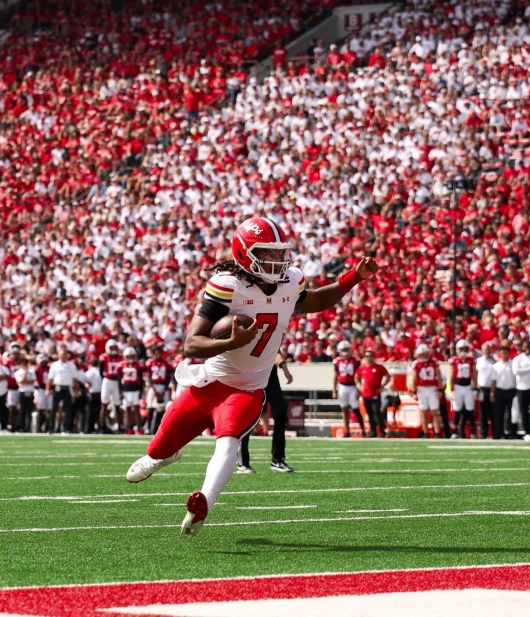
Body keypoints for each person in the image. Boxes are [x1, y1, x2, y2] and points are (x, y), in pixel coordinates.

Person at [126, 216, 378, 537]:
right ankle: (165, 455)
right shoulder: (227, 286)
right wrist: (230, 342)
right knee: (159, 449)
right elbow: (192, 344)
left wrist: (354, 276)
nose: (276, 261)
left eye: (278, 253)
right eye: (267, 254)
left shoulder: (290, 281)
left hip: (247, 387)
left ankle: (204, 500)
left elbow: (313, 301)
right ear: (245, 254)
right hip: (209, 382)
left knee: (229, 439)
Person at [237, 350, 295, 473]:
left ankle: (277, 459)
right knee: (249, 415)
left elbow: (275, 351)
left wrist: (284, 368)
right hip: (252, 374)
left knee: (280, 413)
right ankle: (243, 461)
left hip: (270, 375)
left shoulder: (272, 331)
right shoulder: (250, 331)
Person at [409, 344, 446, 438]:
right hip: (421, 389)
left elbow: (439, 376)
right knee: (423, 412)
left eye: (424, 353)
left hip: (432, 388)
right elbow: (414, 378)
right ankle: (425, 433)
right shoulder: (416, 364)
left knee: (435, 412)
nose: (423, 356)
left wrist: (440, 389)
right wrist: (414, 391)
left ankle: (437, 433)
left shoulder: (434, 362)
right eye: (421, 354)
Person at [332, 341, 366, 437]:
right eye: (343, 350)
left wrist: (359, 389)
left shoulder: (355, 360)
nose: (345, 352)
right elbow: (335, 376)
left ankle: (363, 430)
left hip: (352, 386)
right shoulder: (337, 361)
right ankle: (347, 431)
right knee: (344, 409)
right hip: (342, 386)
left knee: (356, 409)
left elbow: (359, 375)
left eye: (346, 349)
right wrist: (334, 390)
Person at [355, 349, 391, 438]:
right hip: (366, 394)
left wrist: (382, 386)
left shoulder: (378, 367)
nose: (368, 358)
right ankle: (373, 430)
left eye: (370, 356)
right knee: (369, 413)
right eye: (367, 356)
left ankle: (382, 430)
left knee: (376, 412)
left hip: (375, 394)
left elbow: (388, 376)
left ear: (373, 357)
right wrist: (359, 386)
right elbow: (356, 377)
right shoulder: (362, 368)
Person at [512, 339, 530, 439]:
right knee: (523, 411)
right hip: (522, 388)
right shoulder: (518, 359)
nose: (527, 349)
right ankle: (527, 433)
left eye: (528, 347)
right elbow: (516, 371)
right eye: (525, 347)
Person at [447, 340, 477, 439]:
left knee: (470, 409)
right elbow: (451, 375)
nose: (463, 351)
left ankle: (472, 432)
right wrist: (451, 389)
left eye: (465, 349)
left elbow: (473, 375)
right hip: (458, 387)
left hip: (468, 386)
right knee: (457, 409)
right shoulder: (454, 360)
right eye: (461, 349)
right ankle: (455, 432)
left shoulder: (471, 360)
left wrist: (475, 388)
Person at [47, 347, 78, 434]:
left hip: (67, 389)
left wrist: (76, 390)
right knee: (53, 409)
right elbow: (50, 378)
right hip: (57, 388)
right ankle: (51, 428)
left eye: (65, 354)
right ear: (58, 355)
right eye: (62, 354)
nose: (63, 356)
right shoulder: (54, 365)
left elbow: (74, 379)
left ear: (67, 355)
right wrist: (47, 389)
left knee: (67, 410)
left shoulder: (71, 365)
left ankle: (66, 428)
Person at [144, 345, 173, 435]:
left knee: (164, 409)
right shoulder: (150, 363)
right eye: (156, 353)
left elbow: (168, 378)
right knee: (150, 407)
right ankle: (148, 428)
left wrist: (164, 390)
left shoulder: (166, 364)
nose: (158, 355)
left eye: (159, 353)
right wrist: (154, 390)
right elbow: (148, 377)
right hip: (153, 387)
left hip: (163, 387)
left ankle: (161, 428)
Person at [490, 343, 516, 440]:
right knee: (498, 414)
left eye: (506, 353)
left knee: (512, 413)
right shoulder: (496, 366)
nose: (504, 355)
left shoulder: (513, 364)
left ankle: (512, 433)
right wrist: (492, 392)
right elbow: (493, 380)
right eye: (502, 353)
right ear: (500, 354)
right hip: (499, 391)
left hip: (511, 391)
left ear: (509, 353)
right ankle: (498, 433)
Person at [99, 341, 124, 432]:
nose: (113, 349)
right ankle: (102, 426)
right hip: (107, 380)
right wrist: (106, 378)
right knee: (104, 404)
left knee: (118, 405)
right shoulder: (104, 357)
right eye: (111, 347)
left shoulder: (121, 358)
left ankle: (120, 426)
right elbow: (101, 372)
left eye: (115, 347)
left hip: (117, 381)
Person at [119, 347, 145, 434]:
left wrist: (141, 391)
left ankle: (139, 427)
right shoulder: (121, 365)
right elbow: (119, 379)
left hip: (135, 389)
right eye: (128, 356)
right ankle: (129, 428)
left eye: (131, 356)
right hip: (126, 389)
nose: (130, 358)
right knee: (127, 410)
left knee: (136, 409)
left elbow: (141, 380)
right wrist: (120, 391)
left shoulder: (138, 365)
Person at [475, 342, 497, 438]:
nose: (487, 351)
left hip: (491, 389)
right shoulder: (478, 361)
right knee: (482, 413)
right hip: (482, 389)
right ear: (482, 350)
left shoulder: (494, 361)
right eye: (485, 349)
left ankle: (495, 433)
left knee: (493, 412)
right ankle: (483, 433)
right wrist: (476, 385)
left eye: (488, 349)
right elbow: (475, 374)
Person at [13, 356, 37, 432]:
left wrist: (26, 381)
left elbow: (32, 381)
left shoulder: (32, 371)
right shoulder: (17, 372)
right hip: (22, 393)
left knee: (29, 411)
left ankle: (28, 427)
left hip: (30, 392)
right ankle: (21, 427)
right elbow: (21, 381)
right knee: (22, 411)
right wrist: (25, 374)